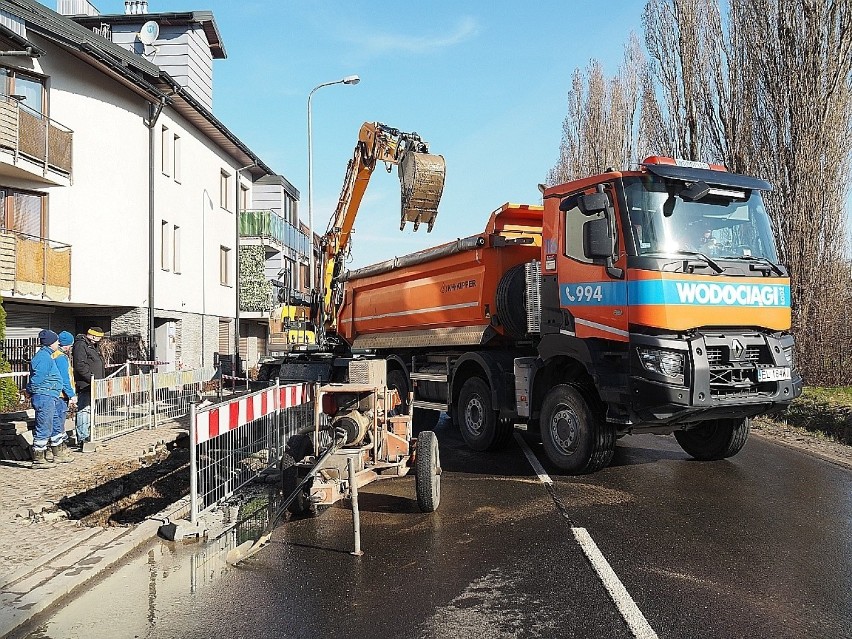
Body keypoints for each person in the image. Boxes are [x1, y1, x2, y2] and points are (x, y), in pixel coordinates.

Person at [26, 330, 74, 468]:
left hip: (49, 395)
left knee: (54, 425)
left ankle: (58, 453)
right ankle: (39, 459)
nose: (58, 343)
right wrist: (30, 390)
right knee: (44, 426)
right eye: (56, 341)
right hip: (44, 396)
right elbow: (37, 378)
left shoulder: (48, 355)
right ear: (50, 343)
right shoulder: (43, 358)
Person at [72, 326, 106, 450]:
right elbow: (80, 365)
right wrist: (90, 378)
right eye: (98, 338)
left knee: (91, 410)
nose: (99, 340)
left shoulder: (92, 346)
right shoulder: (81, 345)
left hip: (94, 383)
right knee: (84, 409)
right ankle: (83, 437)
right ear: (92, 336)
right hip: (86, 384)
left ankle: (89, 434)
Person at [53, 331, 78, 430]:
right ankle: (58, 441)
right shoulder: (61, 357)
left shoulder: (54, 354)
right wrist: (71, 394)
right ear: (67, 346)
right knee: (59, 419)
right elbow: (64, 378)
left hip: (55, 392)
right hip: (60, 394)